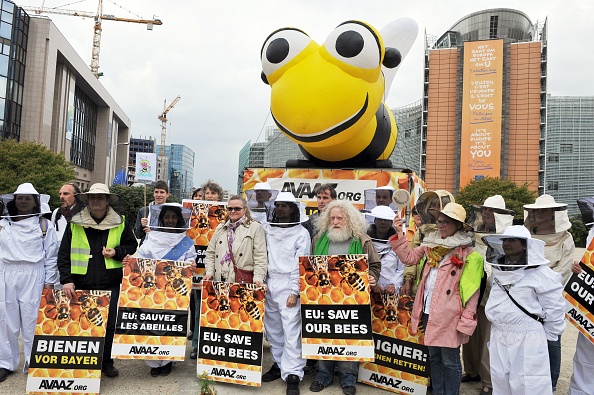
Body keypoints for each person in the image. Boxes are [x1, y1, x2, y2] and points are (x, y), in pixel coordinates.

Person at [389, 202, 483, 395]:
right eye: (439, 221)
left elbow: (473, 291)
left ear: (458, 225)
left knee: (450, 360)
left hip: (450, 316)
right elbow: (408, 258)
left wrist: (466, 319)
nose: (441, 225)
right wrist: (400, 232)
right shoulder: (429, 246)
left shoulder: (469, 255)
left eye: (446, 222)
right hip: (427, 311)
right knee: (434, 357)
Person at [57, 183, 137, 378]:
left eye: (100, 197)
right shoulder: (75, 223)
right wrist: (66, 280)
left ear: (107, 200)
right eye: (92, 197)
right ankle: (85, 361)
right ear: (87, 200)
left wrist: (117, 252)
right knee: (82, 322)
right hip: (81, 282)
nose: (96, 201)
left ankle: (106, 362)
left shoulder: (121, 222)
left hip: (110, 281)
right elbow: (64, 254)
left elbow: (131, 245)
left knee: (108, 324)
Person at [482, 226, 565, 395]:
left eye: (512, 240)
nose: (506, 244)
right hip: (499, 334)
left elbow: (555, 307)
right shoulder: (499, 270)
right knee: (501, 381)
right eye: (505, 240)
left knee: (529, 384)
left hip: (528, 338)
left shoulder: (541, 273)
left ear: (525, 245)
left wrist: (546, 335)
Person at [309, 200, 381, 395]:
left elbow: (374, 266)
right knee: (324, 336)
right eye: (332, 218)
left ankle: (348, 378)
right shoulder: (318, 239)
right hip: (323, 300)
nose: (336, 221)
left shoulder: (362, 240)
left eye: (340, 217)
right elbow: (309, 267)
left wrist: (372, 278)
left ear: (349, 219)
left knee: (350, 338)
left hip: (353, 301)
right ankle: (323, 375)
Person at [125, 203, 196, 377]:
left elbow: (190, 259)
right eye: (167, 217)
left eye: (173, 217)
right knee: (153, 324)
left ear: (179, 219)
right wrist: (129, 263)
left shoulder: (185, 240)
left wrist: (191, 266)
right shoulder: (152, 238)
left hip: (174, 291)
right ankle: (153, 362)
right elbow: (141, 258)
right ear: (161, 218)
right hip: (152, 290)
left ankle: (168, 360)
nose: (170, 220)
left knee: (171, 323)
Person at [0, 183, 59, 382]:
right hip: (6, 273)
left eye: (28, 198)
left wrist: (50, 282)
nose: (23, 201)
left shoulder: (44, 225)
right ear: (14, 201)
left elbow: (51, 256)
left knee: (32, 320)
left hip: (34, 274)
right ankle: (6, 363)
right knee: (6, 321)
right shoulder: (3, 224)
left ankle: (34, 361)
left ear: (35, 202)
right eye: (20, 198)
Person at [462, 195, 514, 395]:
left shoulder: (507, 236)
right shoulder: (473, 233)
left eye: (490, 210)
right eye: (484, 210)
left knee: (487, 339)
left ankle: (488, 380)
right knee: (468, 334)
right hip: (471, 289)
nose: (486, 213)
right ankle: (472, 370)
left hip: (493, 294)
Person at [260, 192, 310, 395]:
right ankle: (280, 364)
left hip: (289, 285)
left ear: (292, 209)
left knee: (292, 331)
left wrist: (294, 291)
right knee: (273, 330)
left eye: (284, 206)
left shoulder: (301, 233)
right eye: (277, 205)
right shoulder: (267, 229)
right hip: (269, 283)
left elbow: (301, 265)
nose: (279, 209)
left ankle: (293, 373)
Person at [524, 194, 574, 391]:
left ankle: (551, 383)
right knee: (527, 338)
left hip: (552, 295)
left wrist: (541, 285)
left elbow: (565, 268)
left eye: (543, 210)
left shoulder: (566, 237)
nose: (537, 214)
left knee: (552, 340)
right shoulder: (527, 234)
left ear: (554, 214)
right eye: (536, 210)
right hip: (526, 294)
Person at [190, 179, 225, 358]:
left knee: (216, 309)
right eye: (207, 193)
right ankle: (196, 345)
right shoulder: (193, 214)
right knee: (198, 310)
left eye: (213, 193)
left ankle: (212, 345)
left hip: (220, 270)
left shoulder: (226, 215)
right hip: (199, 271)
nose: (209, 196)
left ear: (219, 195)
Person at [401, 190, 454, 297]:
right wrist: (408, 279)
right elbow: (411, 259)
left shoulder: (454, 232)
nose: (435, 208)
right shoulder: (422, 231)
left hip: (444, 291)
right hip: (420, 287)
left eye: (439, 205)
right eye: (433, 205)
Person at [203, 195, 267, 284]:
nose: (233, 211)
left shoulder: (255, 227)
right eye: (230, 209)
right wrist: (209, 273)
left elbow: (260, 256)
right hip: (219, 281)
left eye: (237, 209)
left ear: (245, 210)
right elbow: (210, 253)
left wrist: (258, 278)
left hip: (242, 282)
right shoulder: (220, 228)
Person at [366, 205, 404, 294]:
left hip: (391, 293)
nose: (383, 222)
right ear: (375, 220)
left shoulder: (397, 243)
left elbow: (402, 268)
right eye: (380, 219)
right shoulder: (366, 243)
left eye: (386, 220)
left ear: (391, 222)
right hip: (369, 291)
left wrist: (394, 285)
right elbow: (363, 265)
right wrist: (373, 283)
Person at [134, 180, 171, 245]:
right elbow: (137, 235)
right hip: (145, 250)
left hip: (163, 249)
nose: (159, 195)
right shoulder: (144, 211)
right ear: (153, 193)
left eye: (162, 192)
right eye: (156, 192)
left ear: (167, 194)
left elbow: (173, 235)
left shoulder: (172, 212)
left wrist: (155, 232)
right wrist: (142, 226)